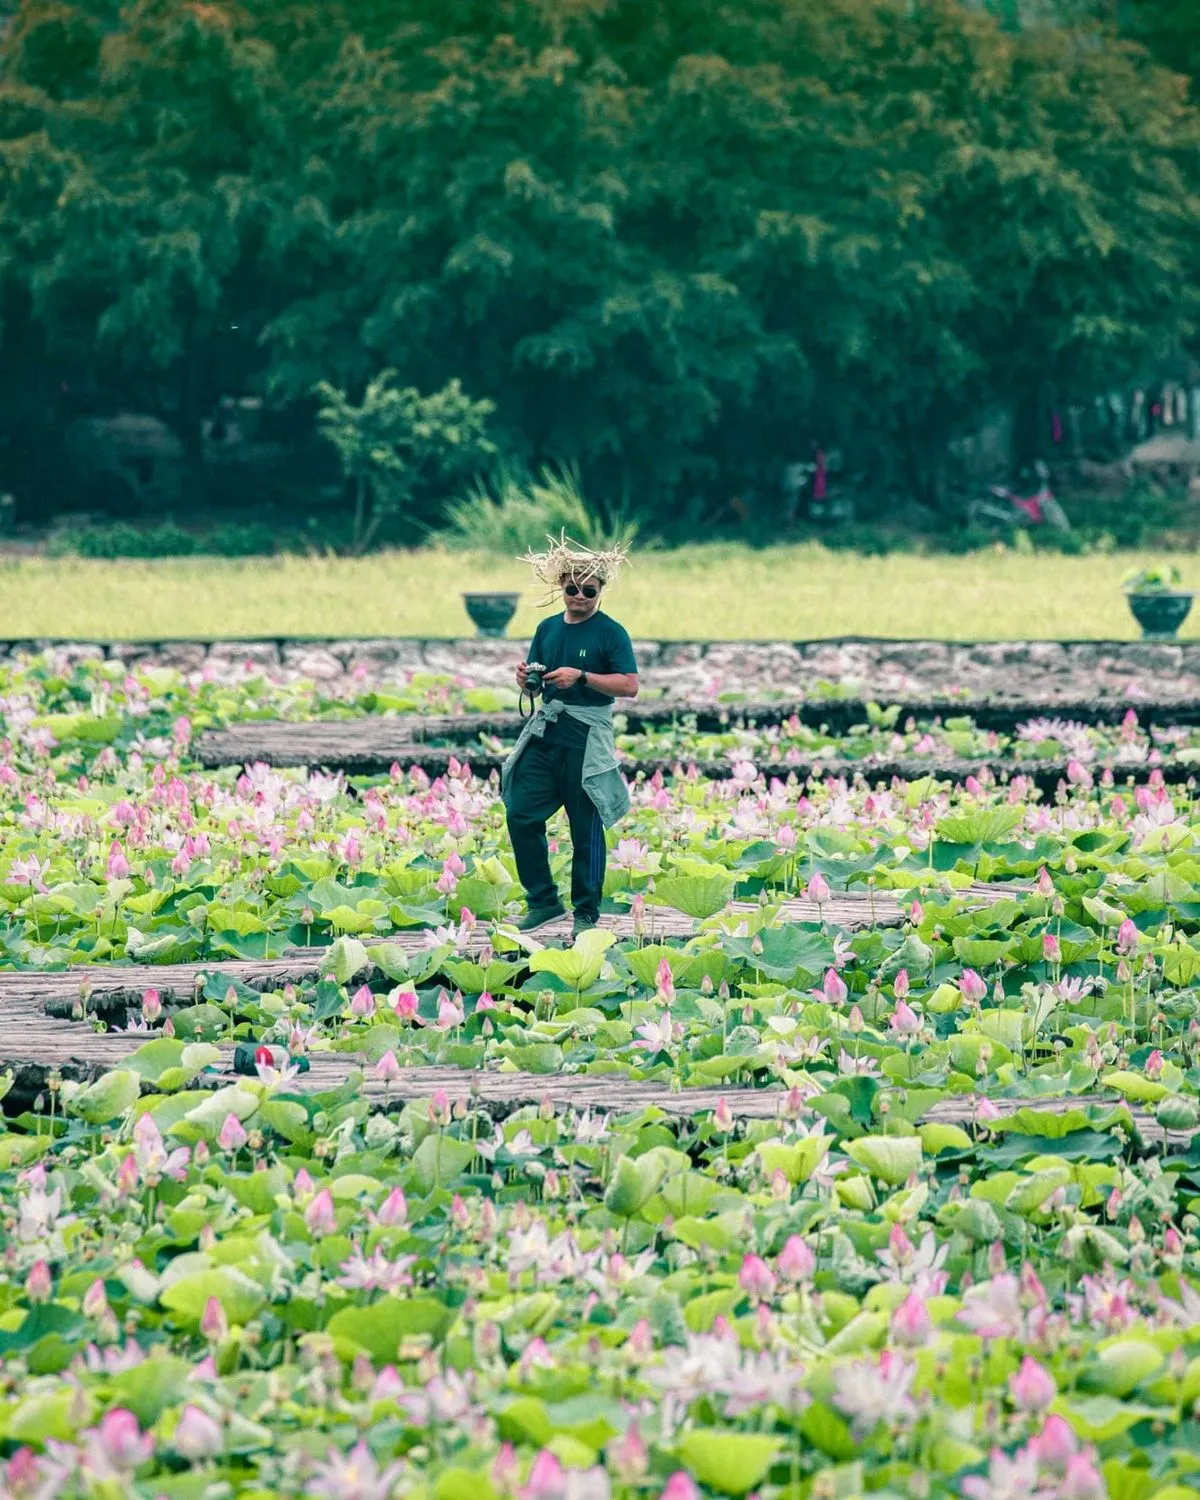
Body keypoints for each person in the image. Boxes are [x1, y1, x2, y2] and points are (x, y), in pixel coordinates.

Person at [501, 535, 638, 939]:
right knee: (520, 812)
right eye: (572, 588)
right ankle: (543, 901)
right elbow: (535, 689)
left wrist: (582, 677)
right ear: (561, 585)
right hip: (547, 731)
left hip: (586, 735)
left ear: (601, 591)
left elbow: (629, 685)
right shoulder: (546, 628)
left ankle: (586, 912)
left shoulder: (611, 633)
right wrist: (527, 682)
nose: (580, 596)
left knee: (586, 826)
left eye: (589, 590)